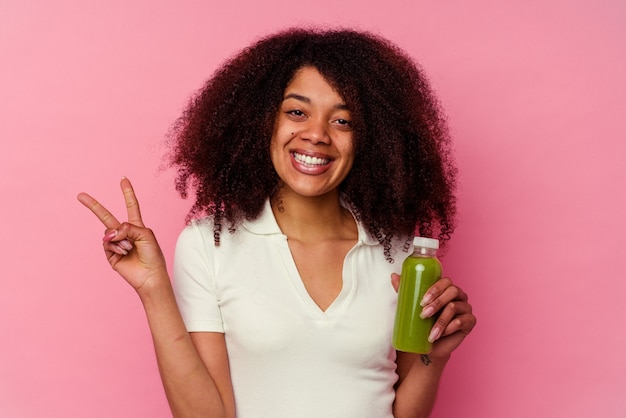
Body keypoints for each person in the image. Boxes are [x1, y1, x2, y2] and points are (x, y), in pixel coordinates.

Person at [78, 28, 476, 418]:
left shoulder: (401, 252)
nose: (316, 134)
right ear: (262, 121)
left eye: (343, 121)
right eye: (297, 112)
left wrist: (433, 356)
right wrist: (154, 290)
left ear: (372, 138)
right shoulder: (209, 246)